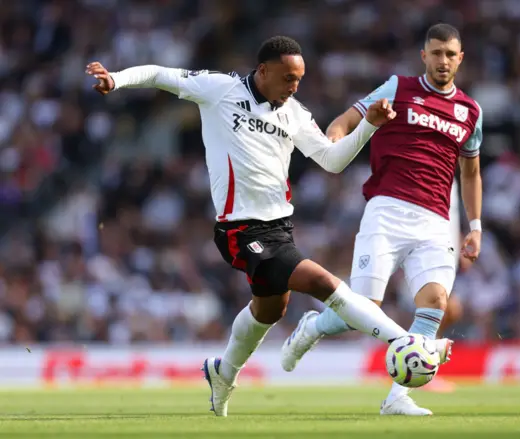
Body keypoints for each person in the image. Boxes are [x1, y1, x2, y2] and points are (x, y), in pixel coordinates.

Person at [86, 36, 453, 417]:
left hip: (279, 228)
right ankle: (407, 341)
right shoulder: (220, 89)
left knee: (269, 311)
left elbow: (331, 161)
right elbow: (162, 74)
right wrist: (116, 78)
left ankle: (223, 373)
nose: (294, 87)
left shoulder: (294, 113)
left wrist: (369, 127)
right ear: (263, 71)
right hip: (240, 230)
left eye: (299, 79)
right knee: (324, 284)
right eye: (288, 78)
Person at [281, 24, 483, 416]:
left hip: (436, 222)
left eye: (450, 54)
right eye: (436, 53)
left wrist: (474, 228)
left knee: (435, 301)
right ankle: (313, 326)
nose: (443, 60)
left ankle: (398, 397)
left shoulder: (470, 111)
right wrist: (332, 143)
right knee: (365, 308)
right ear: (424, 56)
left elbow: (471, 174)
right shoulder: (398, 88)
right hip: (387, 210)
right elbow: (347, 119)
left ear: (461, 59)